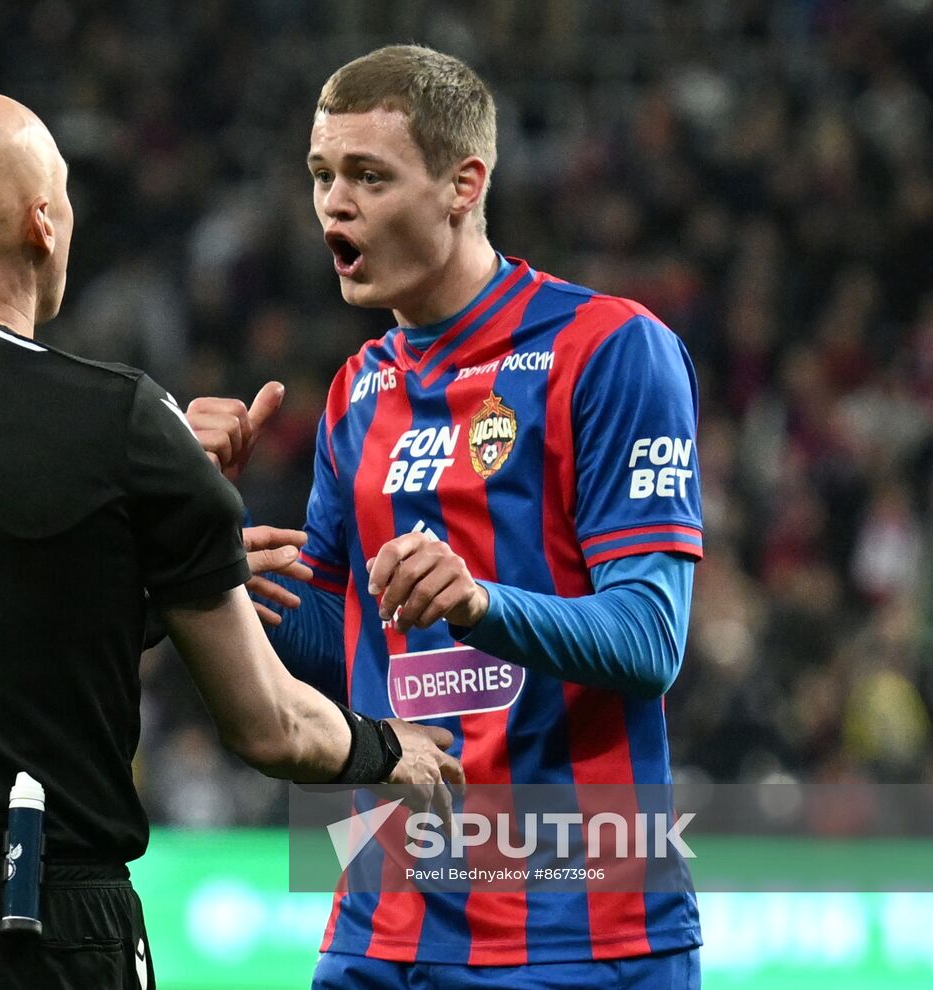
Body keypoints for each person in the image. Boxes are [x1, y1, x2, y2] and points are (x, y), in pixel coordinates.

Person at [0, 89, 461, 990]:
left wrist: (138, 573)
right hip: (33, 920)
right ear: (42, 223)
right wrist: (389, 748)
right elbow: (270, 728)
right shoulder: (120, 420)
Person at [187, 46, 703, 989]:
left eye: (369, 176)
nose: (334, 206)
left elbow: (651, 637)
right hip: (381, 917)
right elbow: (335, 647)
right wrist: (201, 536)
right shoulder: (357, 390)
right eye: (322, 175)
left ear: (464, 185)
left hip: (579, 930)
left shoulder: (610, 350)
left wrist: (478, 605)